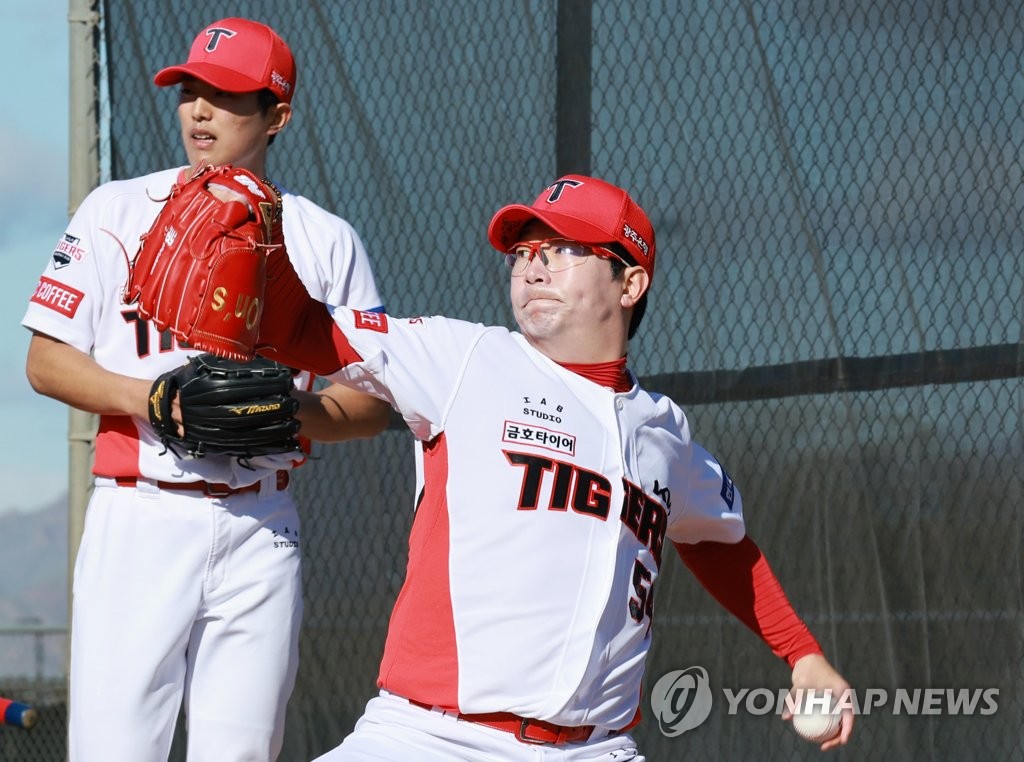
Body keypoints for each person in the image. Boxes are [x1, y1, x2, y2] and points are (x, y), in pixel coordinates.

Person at [253, 174, 856, 760]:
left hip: (598, 748)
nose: (532, 267)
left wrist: (802, 653)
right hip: (430, 738)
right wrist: (261, 257)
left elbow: (720, 540)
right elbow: (302, 327)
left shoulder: (664, 432)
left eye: (564, 249)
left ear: (630, 282)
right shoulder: (464, 359)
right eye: (523, 252)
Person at [21, 17, 390, 762]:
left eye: (225, 96)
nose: (198, 110)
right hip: (142, 517)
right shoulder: (117, 209)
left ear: (276, 116)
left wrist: (288, 413)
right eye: (190, 90)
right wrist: (156, 399)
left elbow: (373, 406)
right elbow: (46, 363)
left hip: (262, 526)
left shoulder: (324, 238)